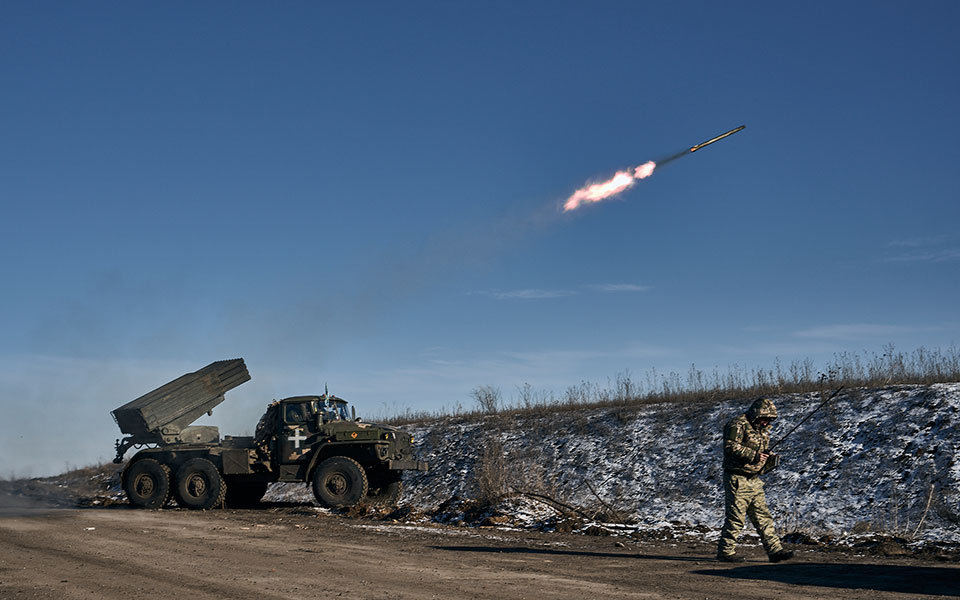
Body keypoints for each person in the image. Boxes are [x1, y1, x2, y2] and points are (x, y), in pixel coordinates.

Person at [716, 397, 794, 563]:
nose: (766, 423)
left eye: (769, 420)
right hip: (737, 478)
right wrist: (754, 455)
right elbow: (730, 446)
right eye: (764, 418)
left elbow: (760, 449)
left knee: (763, 516)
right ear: (756, 414)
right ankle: (726, 551)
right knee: (736, 517)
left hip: (754, 479)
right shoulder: (737, 424)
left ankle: (775, 551)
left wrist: (768, 457)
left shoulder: (762, 430)